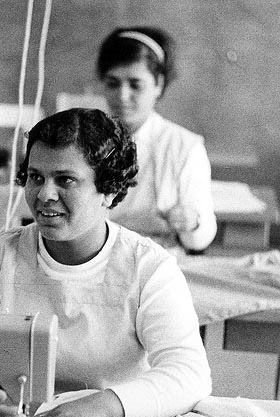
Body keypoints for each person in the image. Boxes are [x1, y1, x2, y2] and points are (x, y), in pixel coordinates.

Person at [0, 108, 212, 417]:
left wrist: (105, 406)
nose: (44, 194)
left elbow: (189, 373)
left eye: (65, 179)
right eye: (35, 177)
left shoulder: (148, 268)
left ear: (108, 190)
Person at [97, 27, 217, 252]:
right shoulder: (85, 140)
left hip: (161, 261)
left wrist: (192, 221)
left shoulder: (183, 146)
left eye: (135, 84)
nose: (122, 96)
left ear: (158, 84)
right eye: (113, 83)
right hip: (96, 258)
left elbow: (200, 238)